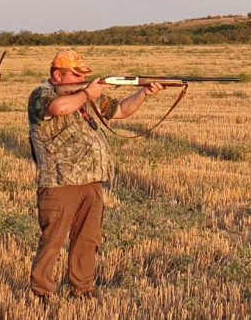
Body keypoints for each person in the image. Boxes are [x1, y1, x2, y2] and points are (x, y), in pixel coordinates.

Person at [27, 49, 165, 299]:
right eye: (75, 74)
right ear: (57, 75)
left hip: (91, 182)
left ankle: (82, 289)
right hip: (60, 182)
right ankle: (41, 294)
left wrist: (144, 92)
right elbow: (57, 109)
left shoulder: (84, 96)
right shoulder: (42, 94)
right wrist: (86, 93)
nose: (81, 79)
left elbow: (121, 110)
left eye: (83, 75)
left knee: (88, 240)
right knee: (52, 242)